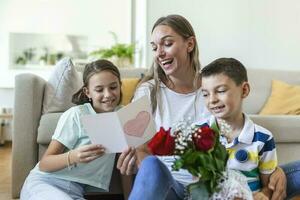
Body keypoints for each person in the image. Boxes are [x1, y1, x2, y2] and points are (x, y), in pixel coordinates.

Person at [117, 14, 289, 200]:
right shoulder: (146, 91)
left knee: (292, 172)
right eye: (154, 47)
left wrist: (273, 169)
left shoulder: (211, 86)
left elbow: (236, 132)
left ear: (189, 44)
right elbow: (139, 149)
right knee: (151, 164)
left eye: (167, 44)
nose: (159, 53)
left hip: (214, 186)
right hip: (170, 185)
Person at [20, 59, 125, 199]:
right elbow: (44, 164)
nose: (108, 94)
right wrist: (74, 156)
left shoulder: (123, 116)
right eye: (99, 89)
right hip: (46, 183)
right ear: (87, 92)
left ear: (120, 85)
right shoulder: (76, 115)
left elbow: (126, 166)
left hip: (75, 192)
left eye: (113, 87)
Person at [201, 57, 277, 199]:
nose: (211, 100)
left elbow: (268, 186)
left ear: (244, 90)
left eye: (221, 90)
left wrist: (263, 194)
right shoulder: (197, 133)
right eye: (205, 94)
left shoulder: (263, 138)